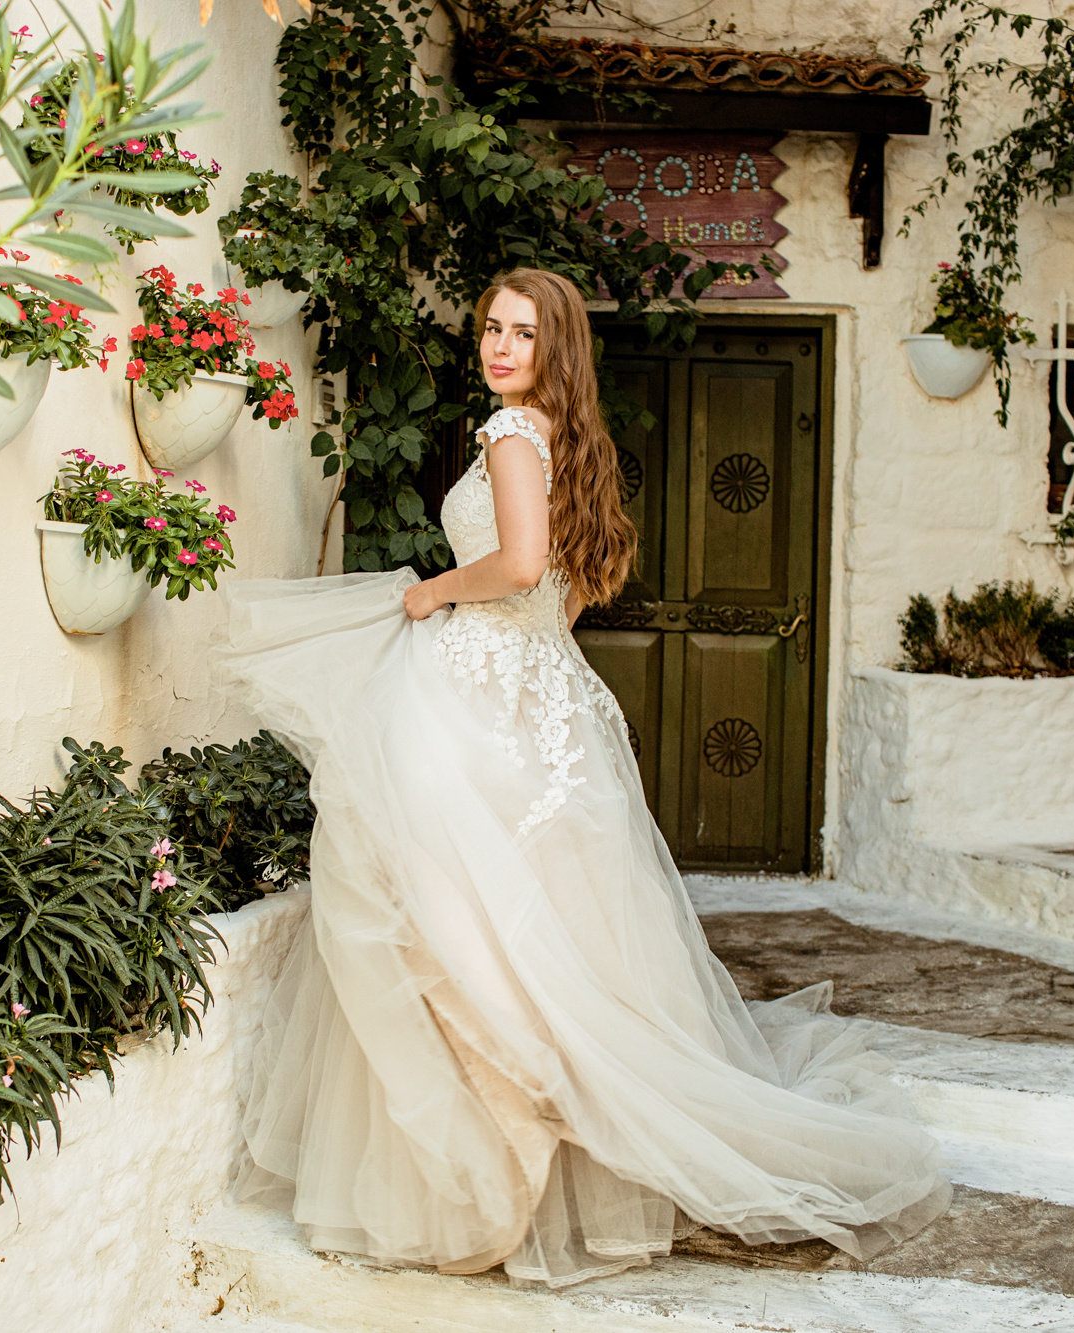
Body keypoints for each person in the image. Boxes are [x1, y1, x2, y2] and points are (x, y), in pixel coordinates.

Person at [212, 268, 949, 1288]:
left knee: (444, 910)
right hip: (527, 696)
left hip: (478, 690)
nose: (498, 346)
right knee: (523, 922)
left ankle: (528, 1109)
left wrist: (430, 595)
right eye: (490, 328)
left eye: (520, 332)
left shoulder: (513, 434)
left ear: (554, 348)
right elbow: (558, 602)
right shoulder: (562, 437)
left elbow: (518, 569)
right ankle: (539, 1113)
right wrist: (524, 690)